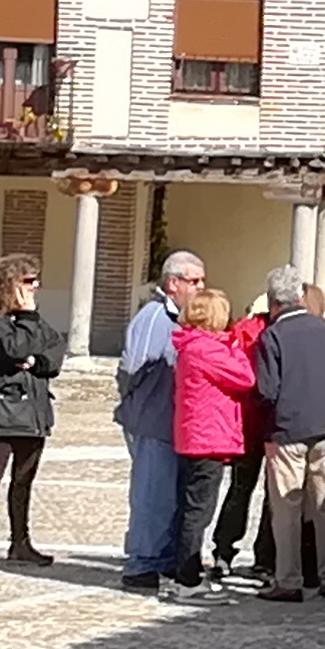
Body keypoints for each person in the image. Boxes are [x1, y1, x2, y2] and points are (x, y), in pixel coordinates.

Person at [247, 265, 325, 603]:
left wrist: (266, 428)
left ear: (273, 302)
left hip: (287, 430)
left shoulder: (272, 336)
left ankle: (288, 579)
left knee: (286, 508)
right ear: (301, 296)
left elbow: (267, 390)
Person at [0, 253, 64, 571]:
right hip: (5, 408)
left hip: (34, 411)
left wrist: (35, 361)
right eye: (29, 281)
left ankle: (20, 542)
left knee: (24, 479)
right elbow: (15, 349)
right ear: (11, 284)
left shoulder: (33, 321)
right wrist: (27, 321)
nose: (36, 286)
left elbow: (55, 350)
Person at [115, 250, 205, 591]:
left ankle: (163, 558)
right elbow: (133, 368)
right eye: (194, 281)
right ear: (173, 283)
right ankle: (142, 563)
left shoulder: (178, 319)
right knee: (151, 494)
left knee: (167, 496)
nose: (200, 287)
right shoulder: (154, 317)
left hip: (170, 423)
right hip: (151, 420)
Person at [161, 286, 260, 590]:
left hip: (196, 435)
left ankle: (181, 568)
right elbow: (245, 377)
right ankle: (188, 578)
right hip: (208, 437)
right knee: (198, 511)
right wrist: (236, 348)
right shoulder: (207, 349)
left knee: (190, 506)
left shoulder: (191, 344)